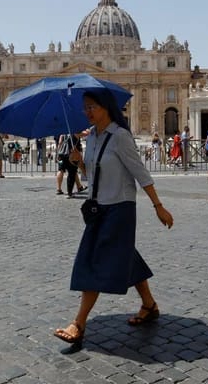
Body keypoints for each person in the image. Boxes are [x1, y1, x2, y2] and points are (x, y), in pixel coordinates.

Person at [53, 89, 173, 353]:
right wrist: (79, 164)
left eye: (91, 106)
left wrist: (158, 206)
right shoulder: (92, 138)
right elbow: (95, 174)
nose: (87, 112)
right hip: (98, 208)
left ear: (106, 107)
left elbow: (139, 171)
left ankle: (79, 323)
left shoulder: (120, 136)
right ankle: (149, 305)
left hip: (120, 208)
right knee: (124, 254)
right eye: (85, 107)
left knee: (93, 260)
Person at [56, 133, 85, 198]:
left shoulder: (63, 132)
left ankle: (59, 189)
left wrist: (58, 153)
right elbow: (85, 134)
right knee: (72, 173)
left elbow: (60, 142)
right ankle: (70, 192)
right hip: (71, 154)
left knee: (61, 170)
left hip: (62, 155)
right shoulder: (75, 132)